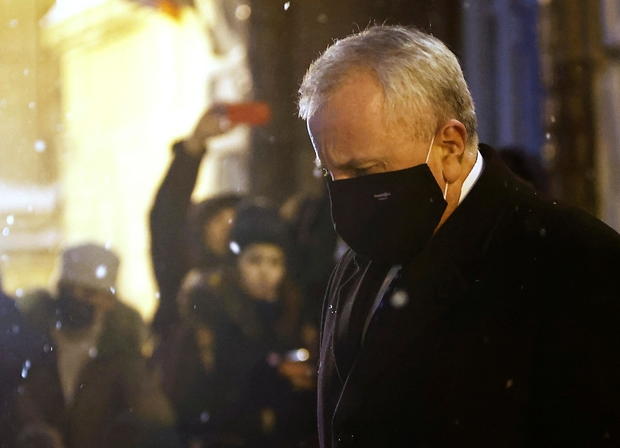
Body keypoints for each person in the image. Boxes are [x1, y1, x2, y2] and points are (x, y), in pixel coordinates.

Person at [297, 25, 620, 447]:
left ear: (450, 146)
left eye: (364, 172)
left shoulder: (574, 263)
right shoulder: (359, 261)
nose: (344, 195)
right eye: (330, 174)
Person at [155, 201, 317, 447]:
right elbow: (197, 399)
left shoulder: (293, 314)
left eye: (275, 262)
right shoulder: (212, 316)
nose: (265, 272)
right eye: (255, 261)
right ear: (237, 265)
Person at [16, 243, 178, 448]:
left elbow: (151, 418)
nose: (78, 299)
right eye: (72, 290)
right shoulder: (29, 346)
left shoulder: (122, 351)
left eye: (93, 294)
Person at [150, 105, 241, 337]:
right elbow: (168, 213)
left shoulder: (253, 278)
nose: (227, 227)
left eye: (235, 220)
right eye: (219, 219)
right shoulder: (182, 271)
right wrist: (194, 145)